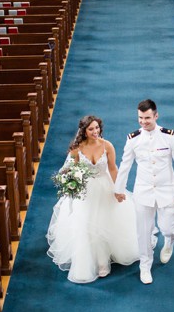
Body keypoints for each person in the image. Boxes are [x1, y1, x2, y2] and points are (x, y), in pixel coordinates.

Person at [46, 116, 140, 284]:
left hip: (105, 188)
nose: (95, 131)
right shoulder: (77, 149)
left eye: (97, 128)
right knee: (86, 225)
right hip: (85, 191)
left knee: (105, 222)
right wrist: (70, 182)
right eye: (91, 129)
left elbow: (112, 169)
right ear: (84, 131)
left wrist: (118, 190)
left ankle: (103, 261)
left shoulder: (107, 146)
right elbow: (65, 171)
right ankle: (89, 261)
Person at [114, 99, 174, 285]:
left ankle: (170, 241)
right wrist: (119, 188)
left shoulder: (169, 136)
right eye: (140, 118)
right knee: (144, 231)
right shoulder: (133, 139)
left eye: (147, 118)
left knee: (168, 228)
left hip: (166, 190)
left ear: (156, 116)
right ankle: (145, 266)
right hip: (143, 191)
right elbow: (125, 165)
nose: (143, 121)